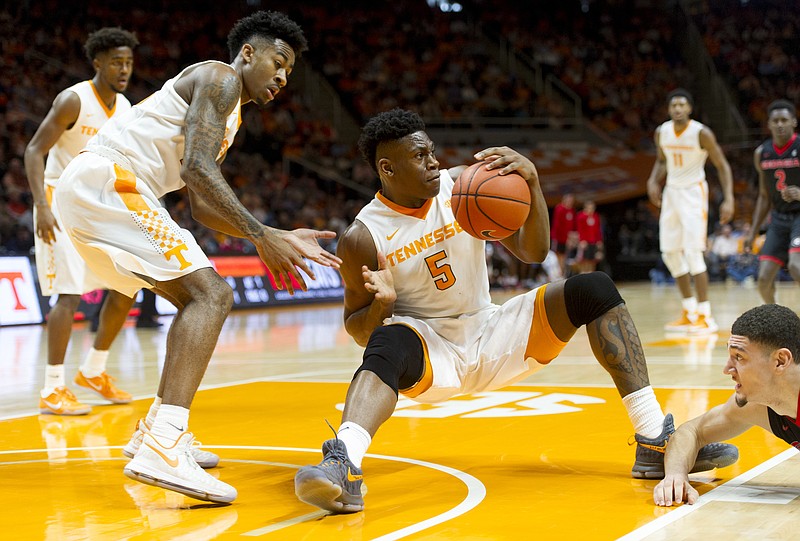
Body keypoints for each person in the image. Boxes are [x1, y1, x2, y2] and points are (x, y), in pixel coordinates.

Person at [293, 109, 737, 514]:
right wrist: (383, 307)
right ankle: (344, 461)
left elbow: (534, 251)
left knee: (594, 289)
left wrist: (533, 183)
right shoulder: (364, 236)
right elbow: (356, 328)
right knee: (387, 337)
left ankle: (654, 439)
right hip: (429, 353)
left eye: (431, 151)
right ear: (387, 168)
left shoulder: (463, 188)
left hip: (492, 330)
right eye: (419, 156)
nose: (433, 161)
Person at [53, 11, 341, 504]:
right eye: (278, 62)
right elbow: (196, 166)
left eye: (290, 72)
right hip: (111, 179)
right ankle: (164, 441)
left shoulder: (231, 115)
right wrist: (260, 233)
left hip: (97, 187)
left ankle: (153, 432)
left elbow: (203, 203)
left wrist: (268, 234)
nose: (282, 78)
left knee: (199, 296)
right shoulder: (221, 77)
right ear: (248, 53)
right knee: (212, 294)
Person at [23, 27, 140, 415]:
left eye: (128, 62)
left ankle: (94, 370)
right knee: (68, 296)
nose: (124, 69)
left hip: (96, 205)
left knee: (128, 284)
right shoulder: (74, 100)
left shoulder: (124, 107)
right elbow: (34, 151)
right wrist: (40, 204)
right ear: (98, 63)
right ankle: (52, 389)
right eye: (116, 62)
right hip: (57, 201)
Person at [654, 303, 799, 507]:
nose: (727, 369)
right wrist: (676, 476)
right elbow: (692, 431)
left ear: (780, 361)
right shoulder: (756, 406)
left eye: (739, 357)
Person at [647, 88, 734, 335]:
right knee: (670, 253)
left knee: (694, 252)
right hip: (671, 192)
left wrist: (728, 198)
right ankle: (689, 311)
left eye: (682, 105)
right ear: (668, 109)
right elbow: (662, 160)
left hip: (694, 193)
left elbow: (722, 164)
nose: (677, 109)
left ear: (689, 109)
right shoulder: (661, 132)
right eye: (673, 105)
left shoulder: (701, 133)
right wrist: (653, 181)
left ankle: (706, 316)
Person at [744, 100, 800, 304]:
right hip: (778, 219)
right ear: (768, 124)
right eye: (775, 120)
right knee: (763, 279)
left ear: (794, 121)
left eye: (784, 120)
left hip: (799, 217)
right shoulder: (762, 153)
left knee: (796, 266)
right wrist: (753, 232)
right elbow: (764, 196)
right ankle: (776, 323)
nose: (780, 124)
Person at [550, 193, 576, 277]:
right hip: (558, 237)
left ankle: (562, 274)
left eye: (571, 201)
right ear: (564, 200)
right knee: (557, 256)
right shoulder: (559, 208)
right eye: (568, 200)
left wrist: (571, 238)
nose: (570, 202)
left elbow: (572, 226)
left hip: (566, 239)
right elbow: (557, 225)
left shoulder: (571, 210)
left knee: (564, 256)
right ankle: (557, 274)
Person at [576, 199, 604, 274]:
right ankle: (583, 274)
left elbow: (598, 230)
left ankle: (591, 274)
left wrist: (599, 241)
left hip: (593, 241)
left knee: (593, 260)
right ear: (585, 207)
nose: (591, 209)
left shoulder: (595, 216)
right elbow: (580, 229)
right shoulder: (581, 216)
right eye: (589, 208)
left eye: (592, 208)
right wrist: (582, 240)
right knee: (584, 260)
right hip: (585, 242)